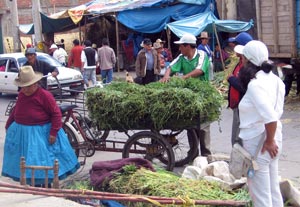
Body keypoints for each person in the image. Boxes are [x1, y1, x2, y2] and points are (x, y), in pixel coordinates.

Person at [2, 66, 80, 187]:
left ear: (36, 84)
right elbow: (16, 110)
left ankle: (44, 187)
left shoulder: (44, 95)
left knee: (41, 161)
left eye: (28, 86)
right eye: (23, 86)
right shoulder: (22, 95)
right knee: (24, 162)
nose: (25, 89)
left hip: (40, 134)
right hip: (22, 134)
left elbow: (55, 114)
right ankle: (32, 185)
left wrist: (53, 132)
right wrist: (8, 124)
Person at [237, 40, 285, 207]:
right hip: (274, 140)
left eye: (242, 58)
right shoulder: (276, 80)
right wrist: (272, 140)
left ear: (248, 61)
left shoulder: (255, 85)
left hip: (261, 144)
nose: (241, 62)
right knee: (273, 191)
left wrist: (269, 141)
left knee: (260, 196)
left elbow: (270, 117)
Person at [160, 33, 211, 156]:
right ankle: (193, 153)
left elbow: (200, 70)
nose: (179, 49)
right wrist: (166, 76)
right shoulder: (182, 57)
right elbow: (171, 67)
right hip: (189, 95)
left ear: (188, 46)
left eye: (181, 46)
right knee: (190, 126)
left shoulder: (201, 55)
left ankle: (206, 154)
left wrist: (184, 78)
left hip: (202, 94)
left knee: (203, 126)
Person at [227, 32, 253, 146]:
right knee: (236, 135)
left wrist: (232, 79)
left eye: (236, 45)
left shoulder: (247, 67)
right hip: (237, 105)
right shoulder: (240, 62)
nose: (233, 48)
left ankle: (240, 160)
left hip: (241, 105)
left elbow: (245, 87)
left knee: (238, 137)